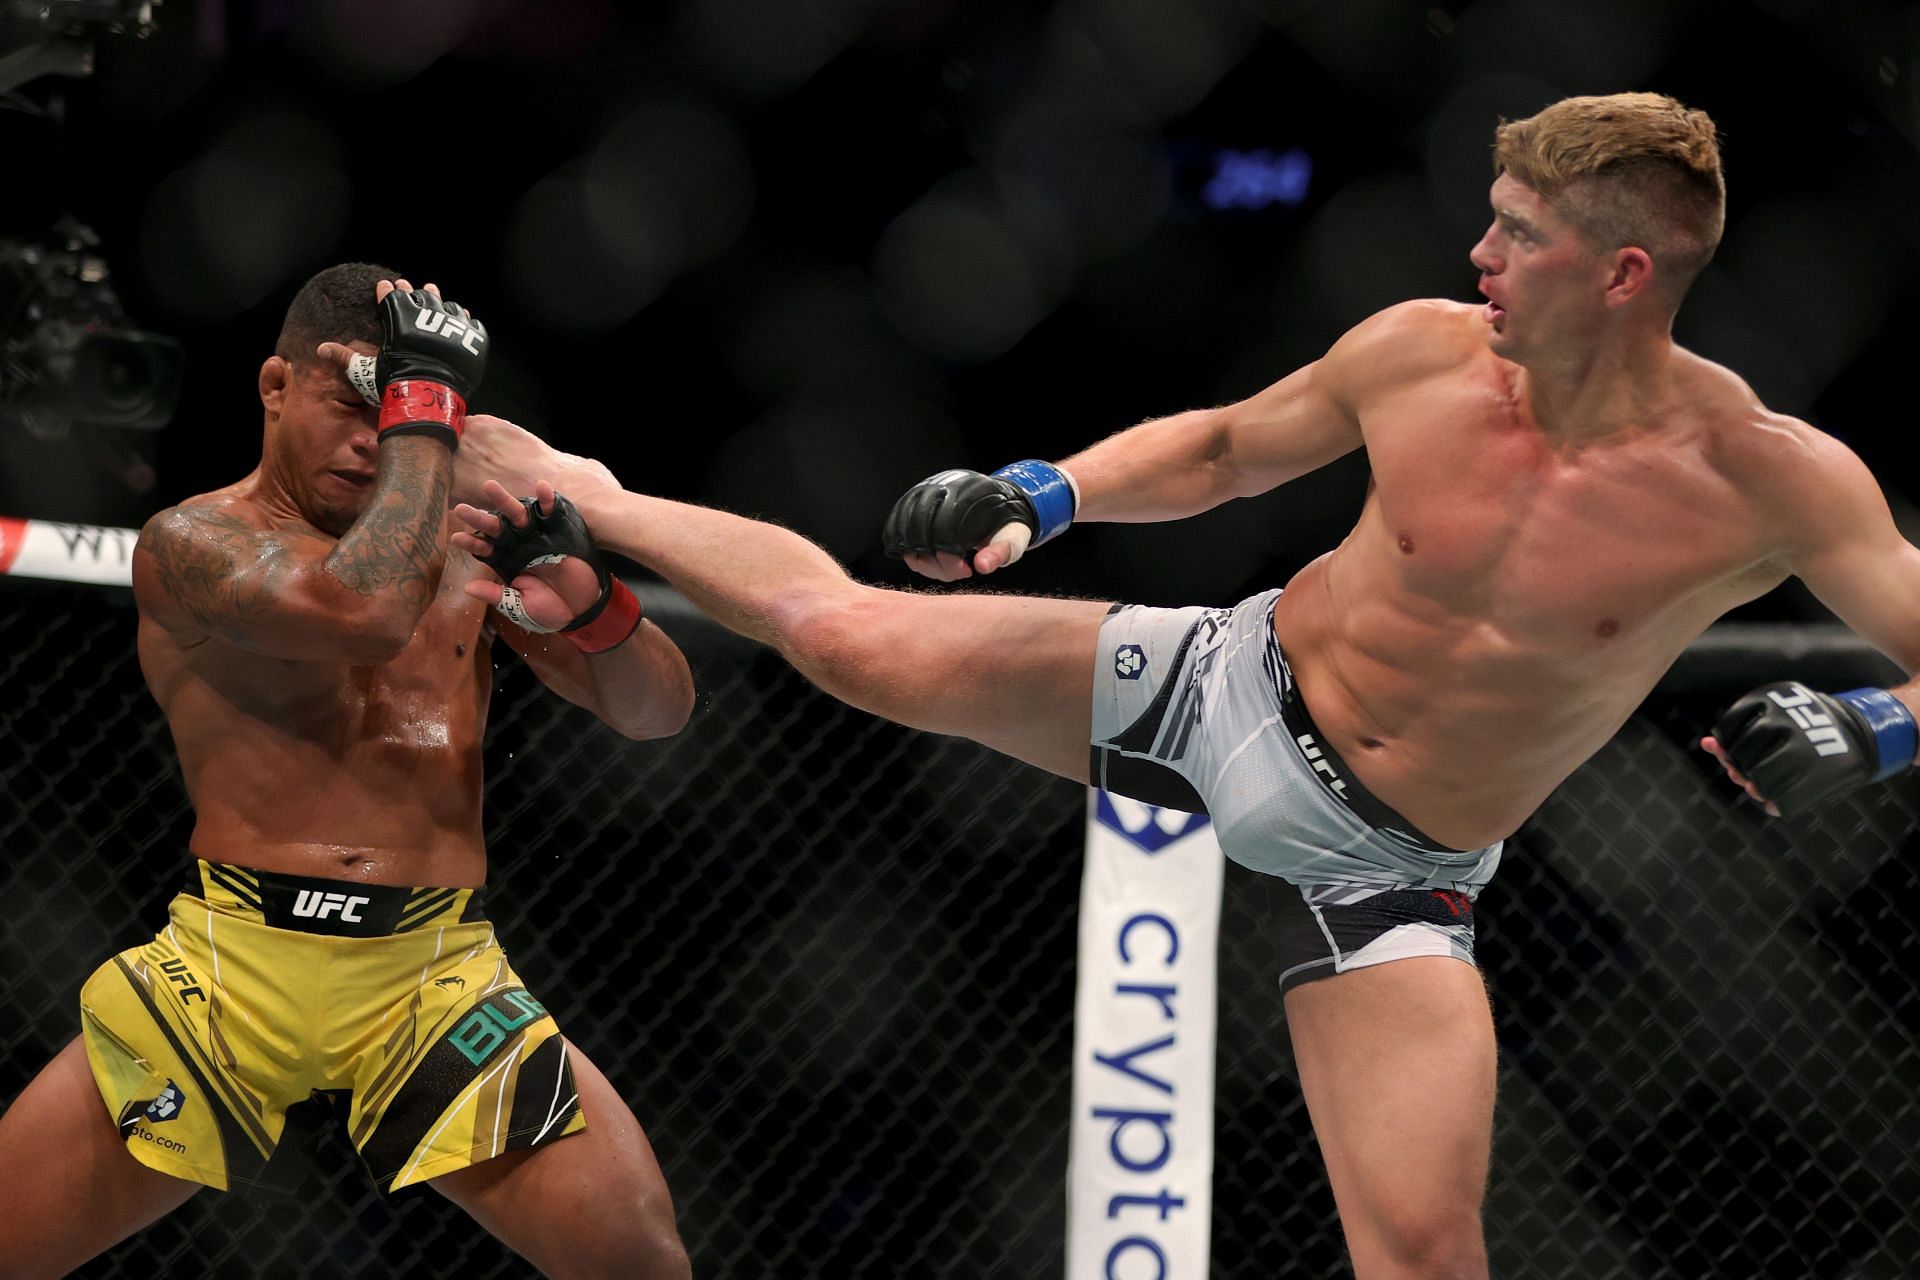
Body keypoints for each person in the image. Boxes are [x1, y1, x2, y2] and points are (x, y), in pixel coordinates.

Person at [452, 92, 1920, 1278]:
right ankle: (590, 491)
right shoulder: (1421, 354)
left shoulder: (1766, 481)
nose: (1478, 253)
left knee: (1421, 1249)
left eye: (1519, 235)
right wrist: (1043, 491)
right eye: (1488, 215)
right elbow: (1228, 448)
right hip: (1227, 680)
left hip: (1393, 869)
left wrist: (1878, 726)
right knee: (846, 638)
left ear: (1622, 275)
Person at [0, 265, 697, 1280]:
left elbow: (658, 711)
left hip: (431, 972)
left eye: (399, 411)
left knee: (640, 1258)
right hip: (230, 968)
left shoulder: (461, 543)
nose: (379, 438)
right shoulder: (195, 542)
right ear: (276, 386)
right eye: (351, 405)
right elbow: (361, 614)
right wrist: (429, 403)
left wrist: (590, 599)